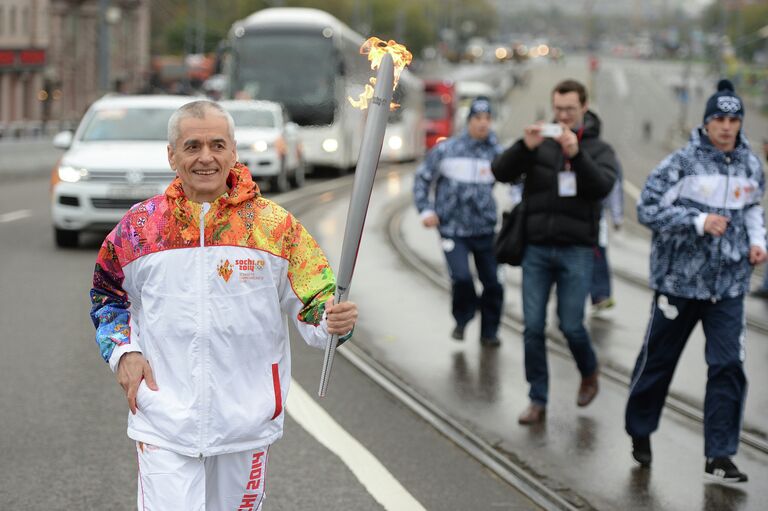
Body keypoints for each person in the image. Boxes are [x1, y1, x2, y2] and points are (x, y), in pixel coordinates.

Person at [90, 100, 358, 510]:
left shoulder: (275, 227)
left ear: (234, 152)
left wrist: (332, 320)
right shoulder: (140, 228)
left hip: (245, 422)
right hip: (163, 417)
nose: (206, 157)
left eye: (217, 145)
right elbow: (108, 295)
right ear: (172, 155)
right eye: (192, 146)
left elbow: (316, 301)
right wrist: (124, 352)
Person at [625, 79, 765, 483]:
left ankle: (720, 453)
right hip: (678, 284)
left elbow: (754, 208)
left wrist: (757, 242)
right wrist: (698, 221)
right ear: (705, 123)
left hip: (729, 286)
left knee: (728, 365)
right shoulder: (680, 165)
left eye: (733, 119)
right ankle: (640, 429)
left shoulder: (751, 166)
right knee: (659, 361)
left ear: (740, 123)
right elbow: (647, 210)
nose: (726, 126)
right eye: (718, 118)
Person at [492, 79, 618, 424]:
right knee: (532, 327)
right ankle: (538, 398)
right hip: (536, 248)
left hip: (576, 250)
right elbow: (500, 171)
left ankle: (589, 371)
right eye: (558, 109)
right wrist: (524, 146)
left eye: (570, 110)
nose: (562, 116)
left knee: (571, 325)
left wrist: (577, 156)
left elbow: (603, 187)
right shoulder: (541, 143)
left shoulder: (599, 148)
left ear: (584, 108)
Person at [413, 96, 504, 346]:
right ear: (469, 121)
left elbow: (517, 181)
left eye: (488, 119)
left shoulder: (497, 154)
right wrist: (425, 210)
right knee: (462, 278)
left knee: (493, 284)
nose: (483, 124)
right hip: (452, 229)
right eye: (478, 119)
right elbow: (422, 179)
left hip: (485, 229)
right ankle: (463, 318)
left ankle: (490, 332)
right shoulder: (447, 150)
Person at [590, 165, 624, 314]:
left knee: (598, 255)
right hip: (565, 219)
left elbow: (614, 188)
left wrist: (617, 216)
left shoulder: (606, 156)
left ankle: (601, 295)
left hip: (596, 218)